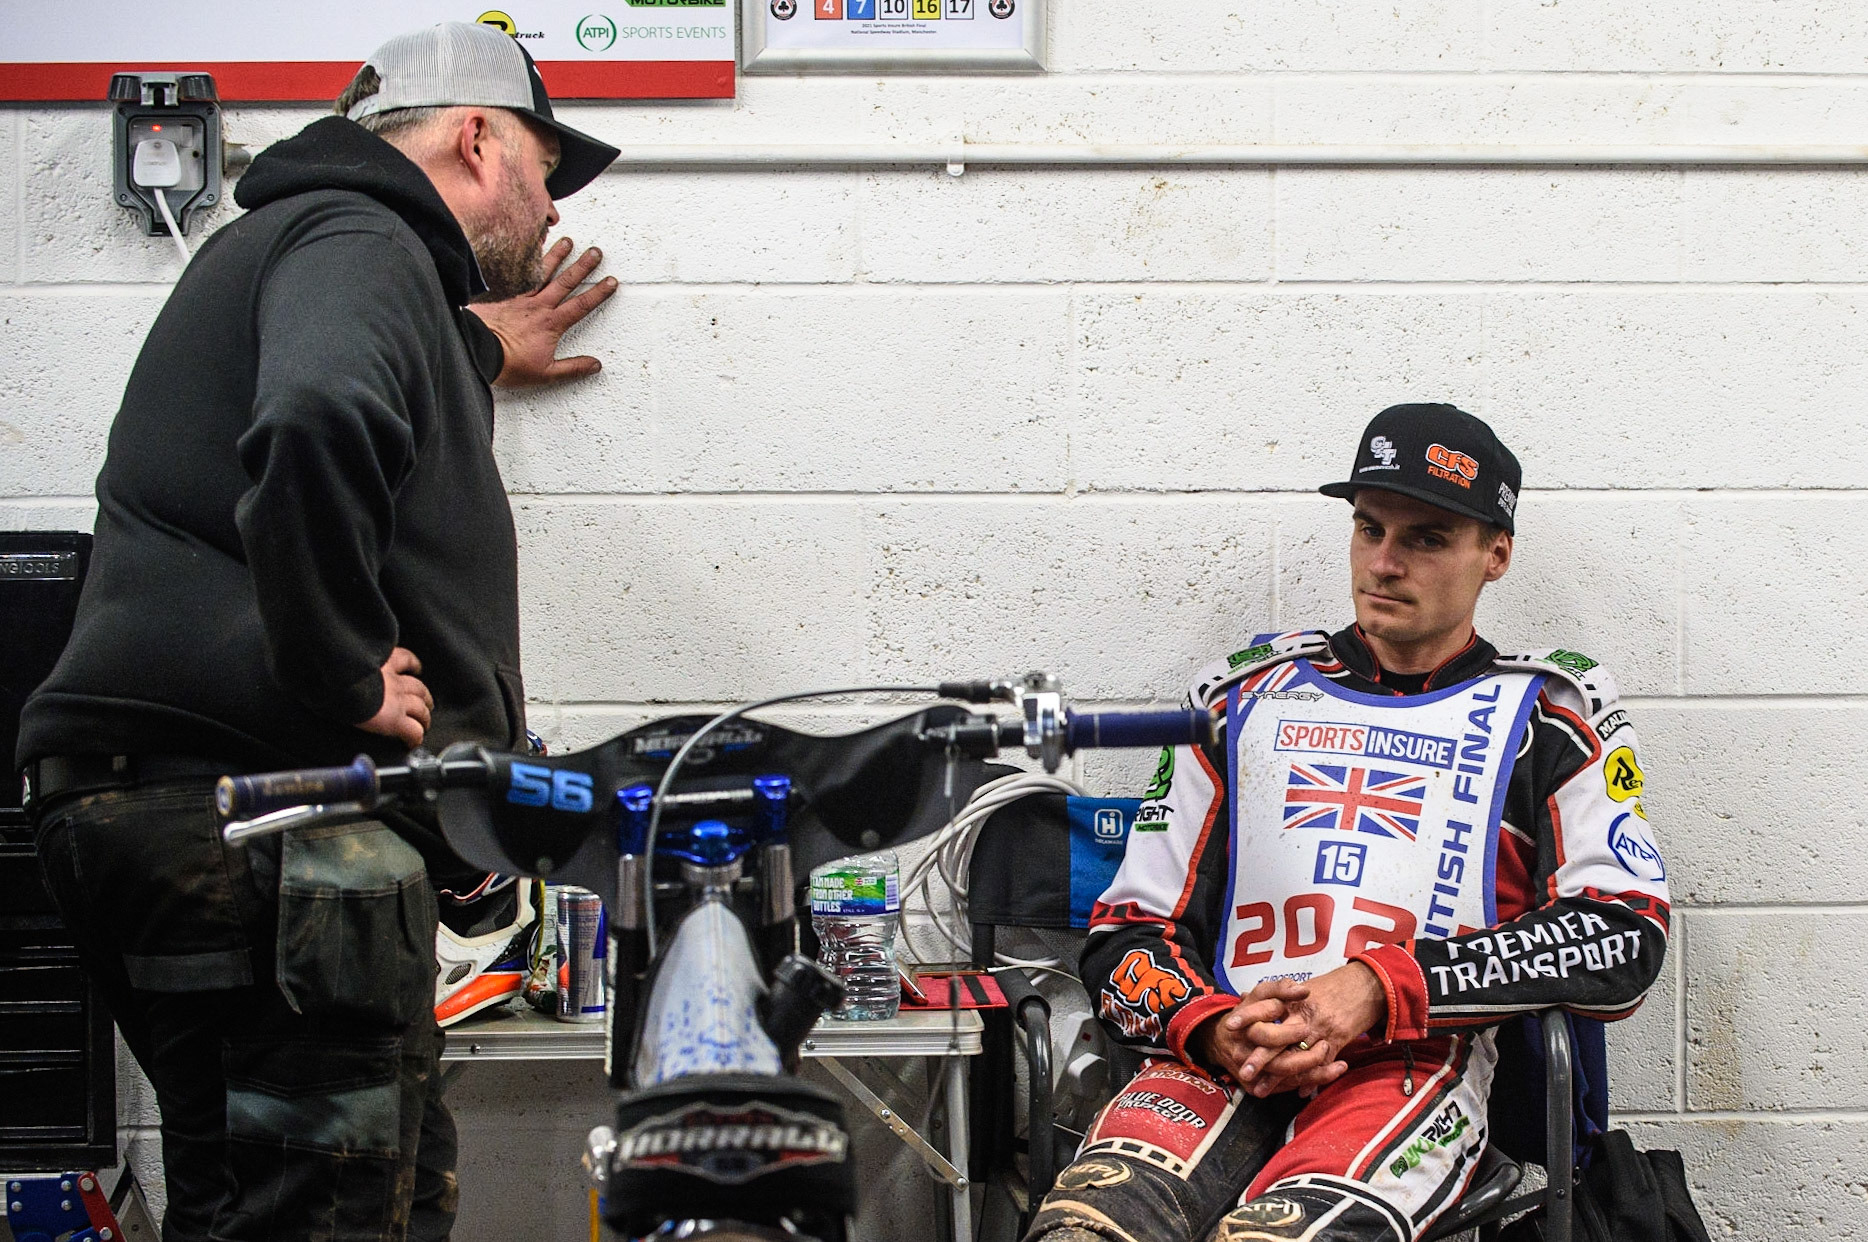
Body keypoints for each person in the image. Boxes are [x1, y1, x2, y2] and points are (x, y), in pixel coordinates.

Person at [16, 22, 623, 1242]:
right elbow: (316, 412)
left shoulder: (308, 242)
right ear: (476, 138)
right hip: (260, 823)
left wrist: (469, 350)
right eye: (543, 167)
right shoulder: (363, 233)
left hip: (174, 815)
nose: (550, 204)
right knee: (329, 1221)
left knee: (268, 1205)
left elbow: (339, 378)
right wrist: (342, 668)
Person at [1029, 404, 1672, 1242]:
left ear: (1496, 554)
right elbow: (1127, 931)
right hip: (1223, 1052)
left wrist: (1378, 986)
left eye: (1427, 538)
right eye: (1369, 528)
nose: (1384, 563)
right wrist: (1210, 1026)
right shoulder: (1239, 697)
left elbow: (1624, 935)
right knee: (1082, 1229)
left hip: (1414, 1065)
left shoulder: (1552, 712)